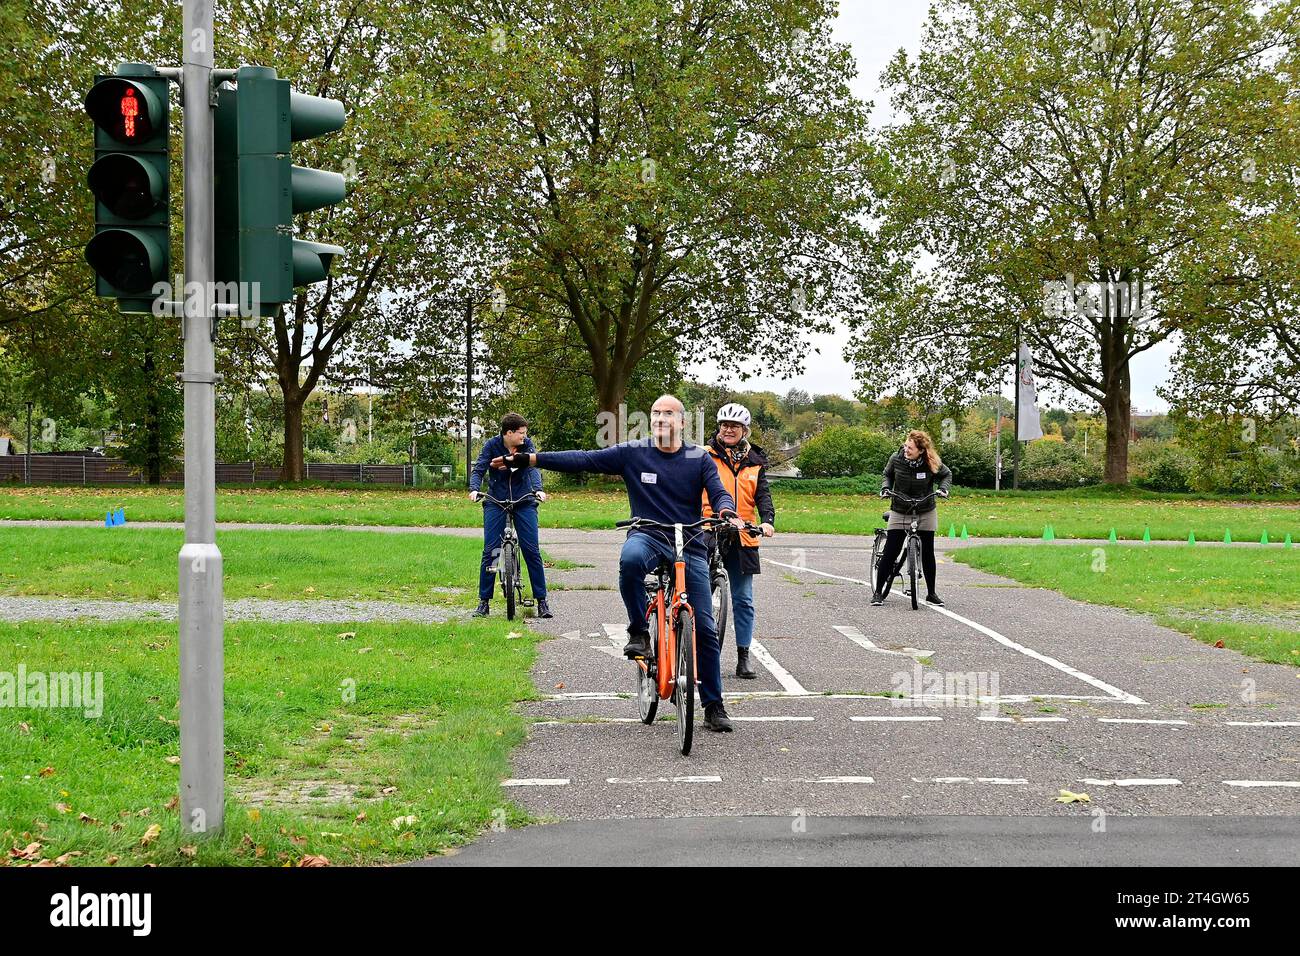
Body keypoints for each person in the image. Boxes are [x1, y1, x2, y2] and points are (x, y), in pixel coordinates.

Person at [491, 395, 744, 733]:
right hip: (648, 533)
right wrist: (531, 459)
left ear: (682, 423)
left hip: (688, 540)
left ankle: (713, 704)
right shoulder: (633, 452)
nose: (660, 419)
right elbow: (584, 459)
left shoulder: (698, 459)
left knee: (706, 629)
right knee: (630, 559)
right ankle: (639, 631)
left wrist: (726, 511)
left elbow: (719, 493)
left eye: (668, 414)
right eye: (655, 414)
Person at [701, 402, 775, 679]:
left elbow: (763, 496)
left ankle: (744, 655)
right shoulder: (705, 455)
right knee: (700, 595)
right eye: (724, 425)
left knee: (743, 598)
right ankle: (696, 650)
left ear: (745, 430)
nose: (728, 429)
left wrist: (767, 521)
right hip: (709, 529)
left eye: (734, 426)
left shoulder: (755, 461)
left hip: (743, 534)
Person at [469, 412, 551, 619]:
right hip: (496, 501)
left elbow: (533, 469)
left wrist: (538, 489)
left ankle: (542, 601)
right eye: (521, 433)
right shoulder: (491, 446)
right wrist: (474, 489)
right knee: (491, 551)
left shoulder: (527, 445)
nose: (524, 436)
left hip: (524, 500)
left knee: (531, 549)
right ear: (509, 433)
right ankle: (483, 602)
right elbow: (479, 470)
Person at [872, 429, 952, 607]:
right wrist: (886, 488)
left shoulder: (930, 461)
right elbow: (887, 474)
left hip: (925, 508)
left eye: (911, 448)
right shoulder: (896, 458)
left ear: (921, 451)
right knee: (891, 550)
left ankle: (931, 593)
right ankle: (878, 592)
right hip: (900, 508)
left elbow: (946, 474)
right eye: (906, 446)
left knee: (928, 552)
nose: (906, 450)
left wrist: (943, 489)